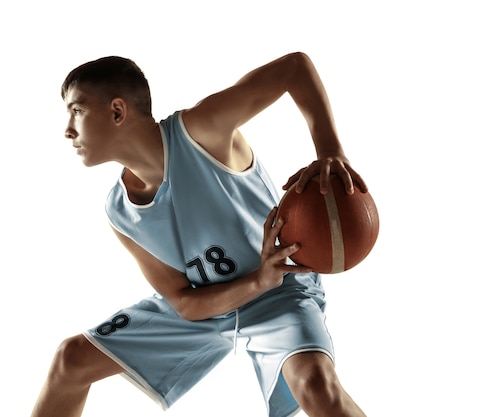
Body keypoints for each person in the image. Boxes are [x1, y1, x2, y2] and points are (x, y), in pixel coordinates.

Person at [31, 52, 368, 417]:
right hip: (213, 302)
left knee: (316, 386)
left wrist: (331, 150)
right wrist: (256, 281)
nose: (67, 129)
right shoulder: (120, 211)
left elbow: (295, 68)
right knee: (72, 359)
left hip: (282, 290)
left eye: (76, 110)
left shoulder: (202, 131)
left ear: (117, 111)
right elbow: (184, 303)